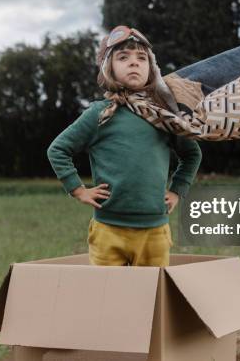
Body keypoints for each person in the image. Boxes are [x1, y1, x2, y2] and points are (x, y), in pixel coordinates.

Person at [47, 26, 202, 267]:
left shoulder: (164, 116)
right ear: (109, 68)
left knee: (151, 298)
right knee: (107, 299)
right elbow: (58, 149)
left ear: (152, 69)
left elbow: (192, 154)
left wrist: (177, 190)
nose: (134, 63)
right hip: (108, 231)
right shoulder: (99, 114)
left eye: (142, 58)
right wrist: (78, 190)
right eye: (123, 57)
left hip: (155, 232)